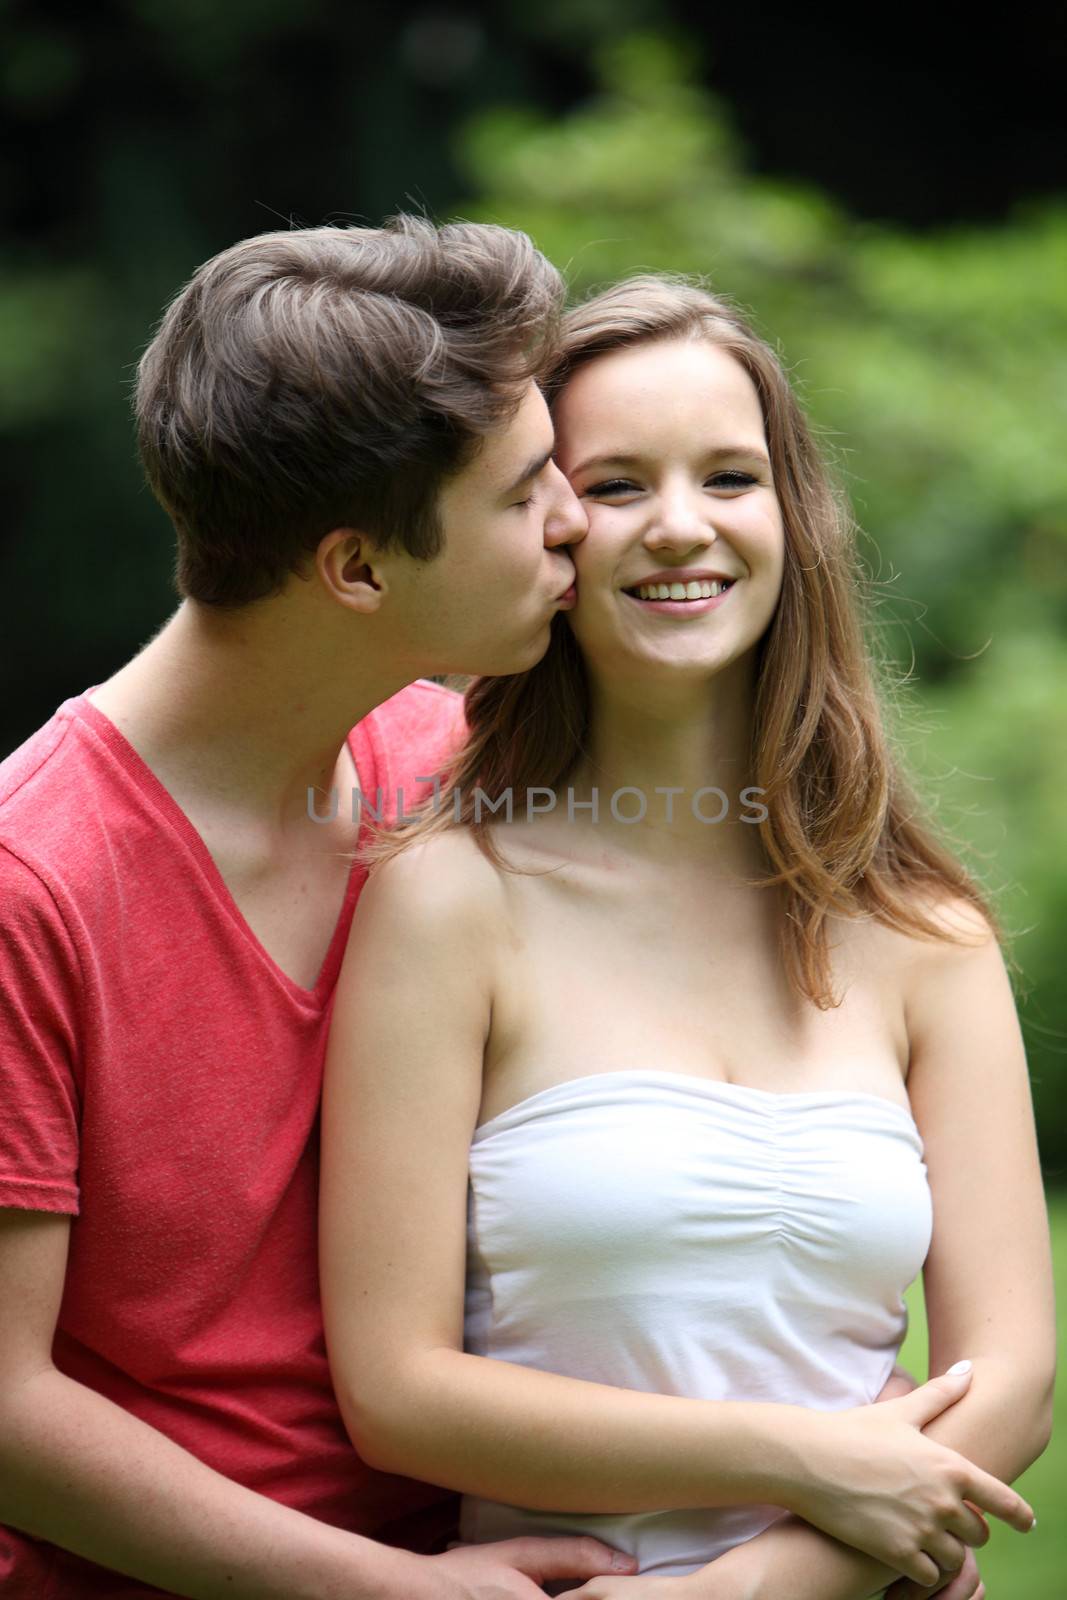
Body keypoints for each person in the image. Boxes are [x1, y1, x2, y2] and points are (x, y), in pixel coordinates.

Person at [319, 276, 1056, 1600]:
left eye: (728, 477)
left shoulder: (924, 933)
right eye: (614, 488)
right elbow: (396, 1390)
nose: (678, 528)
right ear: (549, 533)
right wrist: (809, 1456)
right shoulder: (450, 900)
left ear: (793, 518)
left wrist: (748, 1589)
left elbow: (1011, 1377)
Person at [0, 218, 648, 1599]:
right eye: (526, 489)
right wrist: (396, 1593)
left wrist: (833, 1461)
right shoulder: (29, 890)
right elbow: (5, 1412)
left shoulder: (450, 761)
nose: (575, 521)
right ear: (355, 568)